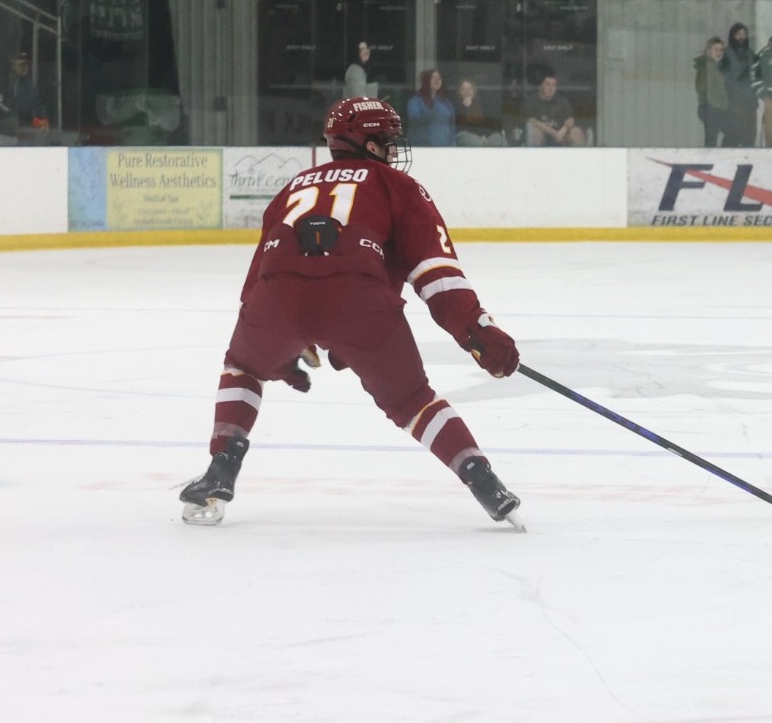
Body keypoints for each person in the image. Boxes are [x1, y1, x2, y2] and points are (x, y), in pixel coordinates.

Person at [178, 97, 524, 529]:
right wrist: (477, 331)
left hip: (277, 297)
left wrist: (278, 348)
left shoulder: (297, 185)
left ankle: (222, 467)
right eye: (387, 141)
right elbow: (437, 273)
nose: (393, 150)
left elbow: (259, 281)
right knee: (413, 400)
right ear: (369, 143)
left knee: (242, 367)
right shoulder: (397, 186)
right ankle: (483, 480)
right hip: (360, 300)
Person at [694, 36, 735, 146]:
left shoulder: (717, 67)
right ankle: (710, 161)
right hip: (710, 108)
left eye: (721, 50)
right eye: (716, 49)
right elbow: (702, 88)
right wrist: (713, 105)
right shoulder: (706, 66)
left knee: (731, 134)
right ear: (708, 51)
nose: (719, 52)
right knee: (712, 139)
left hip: (718, 108)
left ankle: (720, 158)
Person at [723, 23, 759, 147]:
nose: (742, 37)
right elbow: (725, 78)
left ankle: (747, 166)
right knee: (733, 136)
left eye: (744, 34)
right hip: (733, 103)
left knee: (749, 137)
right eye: (738, 34)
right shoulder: (726, 54)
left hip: (750, 103)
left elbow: (758, 76)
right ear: (733, 35)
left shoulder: (751, 54)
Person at [525, 75, 584, 146]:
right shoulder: (531, 100)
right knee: (535, 133)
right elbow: (532, 121)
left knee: (577, 132)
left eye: (554, 85)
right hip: (543, 135)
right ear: (540, 86)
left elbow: (570, 119)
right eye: (547, 84)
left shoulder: (562, 100)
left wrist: (562, 132)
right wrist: (553, 133)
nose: (551, 88)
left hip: (561, 135)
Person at [405, 70, 455, 147]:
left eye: (439, 78)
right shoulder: (416, 100)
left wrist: (453, 144)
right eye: (433, 77)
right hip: (423, 148)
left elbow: (451, 125)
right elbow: (415, 122)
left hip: (445, 148)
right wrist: (434, 108)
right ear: (426, 80)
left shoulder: (446, 102)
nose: (437, 80)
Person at [452, 77, 503, 146]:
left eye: (470, 89)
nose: (467, 92)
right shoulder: (456, 104)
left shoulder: (480, 104)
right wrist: (465, 107)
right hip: (464, 134)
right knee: (476, 142)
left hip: (482, 134)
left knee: (497, 139)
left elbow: (487, 123)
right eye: (464, 89)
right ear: (460, 91)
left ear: (474, 91)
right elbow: (461, 126)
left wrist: (485, 136)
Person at [9, 54, 45, 129]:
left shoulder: (31, 85)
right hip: (14, 126)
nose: (24, 67)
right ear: (14, 66)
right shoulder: (9, 84)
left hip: (29, 127)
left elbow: (37, 104)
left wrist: (43, 121)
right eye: (21, 65)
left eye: (25, 65)